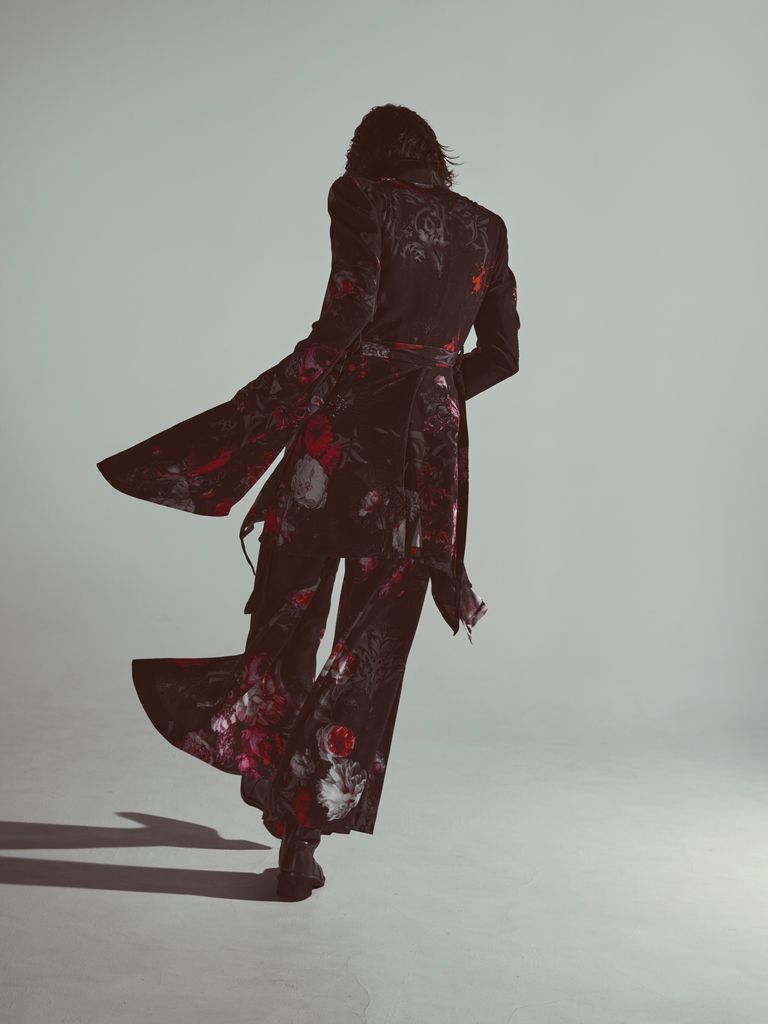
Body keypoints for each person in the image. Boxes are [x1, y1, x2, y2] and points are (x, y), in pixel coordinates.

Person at [97, 103, 522, 901]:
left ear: (367, 159)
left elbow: (347, 319)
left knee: (290, 608)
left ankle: (265, 762)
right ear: (435, 158)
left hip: (342, 440)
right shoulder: (488, 229)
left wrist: (261, 407)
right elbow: (502, 355)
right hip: (425, 463)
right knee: (372, 645)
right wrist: (430, 398)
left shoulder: (362, 198)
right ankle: (302, 839)